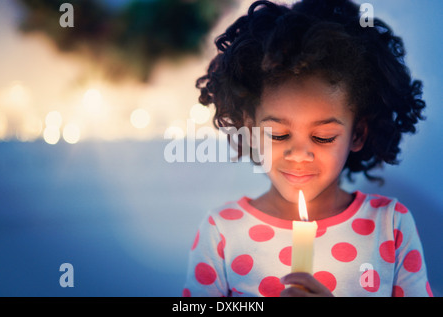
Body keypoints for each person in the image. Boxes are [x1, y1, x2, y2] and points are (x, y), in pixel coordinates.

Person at [183, 0, 432, 297]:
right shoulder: (222, 232)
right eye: (277, 134)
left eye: (324, 136)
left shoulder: (391, 226)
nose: (299, 154)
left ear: (358, 133)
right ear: (249, 128)